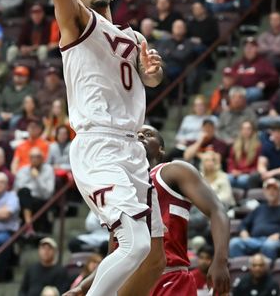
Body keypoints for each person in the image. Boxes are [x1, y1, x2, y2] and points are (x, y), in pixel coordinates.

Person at [21, 0, 166, 296]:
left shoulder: (134, 36)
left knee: (156, 255)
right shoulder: (79, 23)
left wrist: (152, 71)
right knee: (134, 243)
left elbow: (150, 80)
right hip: (99, 144)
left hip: (133, 147)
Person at [67, 125, 231, 296]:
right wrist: (82, 287)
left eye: (147, 134)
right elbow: (113, 254)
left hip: (170, 278)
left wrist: (220, 260)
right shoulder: (122, 189)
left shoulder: (173, 171)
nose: (139, 136)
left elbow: (217, 210)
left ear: (161, 149)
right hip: (130, 285)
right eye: (135, 135)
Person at [229, 177, 280, 260]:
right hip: (254, 240)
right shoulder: (259, 209)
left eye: (274, 189)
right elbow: (244, 223)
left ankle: (266, 270)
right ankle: (242, 269)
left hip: (273, 241)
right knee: (234, 243)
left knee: (269, 246)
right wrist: (243, 231)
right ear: (264, 192)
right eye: (268, 189)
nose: (271, 192)